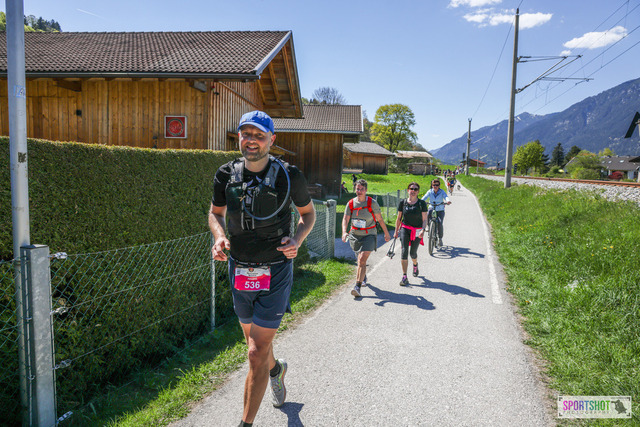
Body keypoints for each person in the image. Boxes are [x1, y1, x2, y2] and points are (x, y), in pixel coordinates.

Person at [209, 110, 316, 427]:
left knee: (255, 352)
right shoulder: (225, 174)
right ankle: (276, 370)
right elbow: (215, 213)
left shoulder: (289, 175)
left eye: (259, 135)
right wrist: (219, 237)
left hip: (276, 270)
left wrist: (297, 240)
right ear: (239, 137)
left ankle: (245, 424)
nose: (251, 140)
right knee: (256, 345)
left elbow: (308, 215)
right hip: (239, 269)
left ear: (271, 139)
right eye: (246, 134)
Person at [342, 179, 391, 297]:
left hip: (369, 234)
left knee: (362, 259)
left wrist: (386, 233)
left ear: (366, 190)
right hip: (355, 235)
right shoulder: (351, 203)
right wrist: (344, 232)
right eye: (357, 189)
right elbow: (345, 219)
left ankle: (357, 287)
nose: (359, 191)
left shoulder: (372, 203)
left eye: (361, 189)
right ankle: (363, 276)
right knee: (360, 260)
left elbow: (379, 219)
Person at [394, 182, 428, 286]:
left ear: (418, 191)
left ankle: (415, 264)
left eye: (415, 189)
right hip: (405, 228)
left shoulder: (421, 204)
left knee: (413, 253)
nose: (413, 191)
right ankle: (404, 276)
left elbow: (424, 219)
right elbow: (399, 218)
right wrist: (396, 231)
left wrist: (423, 230)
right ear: (408, 190)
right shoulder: (403, 202)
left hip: (417, 230)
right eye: (411, 189)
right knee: (404, 251)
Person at [421, 179, 451, 247]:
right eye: (434, 185)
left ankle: (440, 238)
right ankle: (428, 227)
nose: (435, 186)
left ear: (439, 186)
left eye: (437, 185)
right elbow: (425, 197)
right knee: (428, 214)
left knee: (440, 223)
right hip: (432, 207)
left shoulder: (442, 191)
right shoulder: (430, 191)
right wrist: (420, 201)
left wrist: (448, 201)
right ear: (432, 185)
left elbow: (445, 196)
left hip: (440, 209)